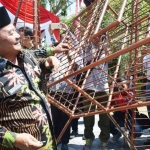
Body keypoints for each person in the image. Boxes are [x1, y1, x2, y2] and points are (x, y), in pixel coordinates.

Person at [0, 6, 69, 150]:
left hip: (48, 143)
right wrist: (13, 139)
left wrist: (48, 63)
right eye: (11, 33)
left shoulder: (26, 55)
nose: (18, 36)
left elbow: (37, 67)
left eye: (16, 30)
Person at [49, 25, 83, 150]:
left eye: (67, 40)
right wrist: (50, 33)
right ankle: (56, 140)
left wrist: (69, 54)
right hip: (54, 90)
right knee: (55, 117)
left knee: (65, 118)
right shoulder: (55, 52)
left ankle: (65, 142)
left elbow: (76, 69)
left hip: (67, 92)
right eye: (63, 40)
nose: (65, 43)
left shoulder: (76, 55)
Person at [82, 35, 110, 150]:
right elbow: (86, 60)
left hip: (103, 88)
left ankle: (104, 140)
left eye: (99, 37)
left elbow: (110, 58)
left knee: (104, 116)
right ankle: (88, 138)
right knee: (88, 116)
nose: (96, 39)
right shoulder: (87, 49)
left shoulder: (105, 50)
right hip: (89, 87)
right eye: (94, 37)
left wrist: (105, 46)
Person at [109, 78, 143, 143]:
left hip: (130, 118)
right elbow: (109, 107)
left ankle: (130, 137)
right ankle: (116, 133)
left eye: (123, 86)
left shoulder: (130, 93)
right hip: (119, 117)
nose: (120, 88)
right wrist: (112, 95)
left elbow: (123, 107)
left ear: (127, 85)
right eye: (119, 86)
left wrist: (118, 95)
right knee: (104, 123)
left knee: (137, 131)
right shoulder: (115, 94)